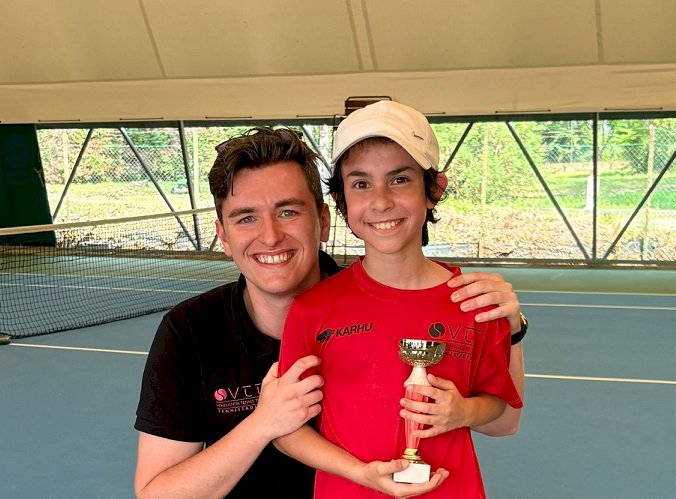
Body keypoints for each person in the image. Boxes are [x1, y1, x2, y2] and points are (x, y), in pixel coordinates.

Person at [134, 126, 527, 498]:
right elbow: (157, 494)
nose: (270, 236)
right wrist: (262, 424)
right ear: (223, 236)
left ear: (323, 222)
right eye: (246, 218)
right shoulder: (189, 331)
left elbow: (504, 421)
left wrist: (511, 330)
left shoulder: (385, 302)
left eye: (288, 212)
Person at [276, 101, 523, 498]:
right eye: (361, 184)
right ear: (342, 199)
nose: (381, 201)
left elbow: (501, 411)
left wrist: (463, 411)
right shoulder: (312, 309)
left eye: (400, 179)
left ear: (433, 190)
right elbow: (286, 430)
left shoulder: (474, 301)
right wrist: (360, 473)